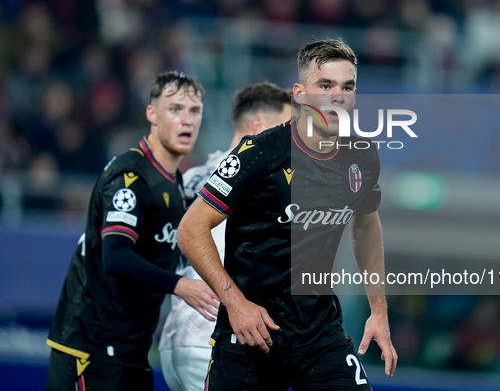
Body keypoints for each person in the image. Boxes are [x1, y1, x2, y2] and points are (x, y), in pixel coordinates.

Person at [177, 38, 397, 390]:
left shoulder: (362, 154)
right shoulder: (261, 153)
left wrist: (379, 310)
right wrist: (235, 304)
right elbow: (191, 229)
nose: (336, 96)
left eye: (347, 87)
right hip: (251, 335)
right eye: (324, 85)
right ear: (300, 93)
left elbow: (366, 227)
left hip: (319, 334)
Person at [46, 71, 219, 391]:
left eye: (194, 111)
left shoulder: (172, 181)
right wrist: (180, 286)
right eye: (175, 109)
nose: (187, 120)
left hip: (132, 350)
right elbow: (116, 256)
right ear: (151, 114)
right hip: (92, 348)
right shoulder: (130, 176)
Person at [158, 82, 292, 391]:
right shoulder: (257, 179)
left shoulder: (194, 175)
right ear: (258, 126)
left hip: (175, 341)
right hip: (214, 342)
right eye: (284, 125)